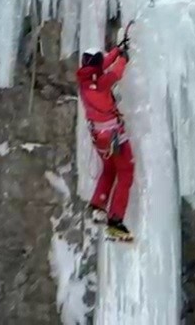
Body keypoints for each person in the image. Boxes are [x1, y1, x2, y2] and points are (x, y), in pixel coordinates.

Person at [77, 30, 135, 241]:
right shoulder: (101, 84)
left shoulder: (85, 81)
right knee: (126, 171)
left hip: (99, 137)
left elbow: (101, 66)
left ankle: (97, 205)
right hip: (113, 136)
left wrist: (117, 50)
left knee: (109, 168)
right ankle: (115, 221)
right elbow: (115, 74)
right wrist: (123, 58)